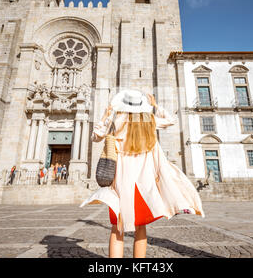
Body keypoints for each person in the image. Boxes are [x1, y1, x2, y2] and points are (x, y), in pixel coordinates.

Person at [81, 90, 205, 258]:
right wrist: (155, 106)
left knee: (118, 227)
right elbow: (171, 120)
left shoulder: (116, 121)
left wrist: (105, 115)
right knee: (140, 228)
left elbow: (95, 137)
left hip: (120, 182)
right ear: (142, 106)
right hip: (144, 183)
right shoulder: (150, 121)